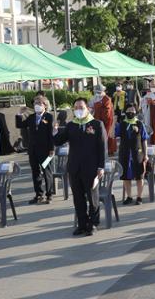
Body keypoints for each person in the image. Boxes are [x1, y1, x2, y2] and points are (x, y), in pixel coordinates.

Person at [53, 98, 107, 236]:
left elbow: (102, 147)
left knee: (92, 197)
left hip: (91, 167)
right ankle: (82, 224)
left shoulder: (96, 124)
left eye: (81, 107)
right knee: (78, 197)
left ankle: (93, 223)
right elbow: (58, 141)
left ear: (87, 108)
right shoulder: (71, 125)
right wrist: (55, 131)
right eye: (76, 107)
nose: (78, 109)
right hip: (74, 167)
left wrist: (101, 166)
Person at [16, 96, 55, 204]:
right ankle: (39, 194)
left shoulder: (49, 117)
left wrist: (52, 148)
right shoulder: (31, 117)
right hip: (33, 149)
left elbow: (51, 134)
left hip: (46, 149)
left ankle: (49, 194)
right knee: (35, 172)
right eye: (35, 104)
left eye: (39, 103)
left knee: (47, 171)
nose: (37, 105)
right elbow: (20, 125)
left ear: (45, 105)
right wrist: (20, 113)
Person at [118, 103, 149, 205]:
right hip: (125, 153)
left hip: (138, 153)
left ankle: (139, 197)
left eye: (133, 110)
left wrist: (146, 154)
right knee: (126, 176)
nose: (130, 112)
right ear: (125, 112)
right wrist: (113, 121)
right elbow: (113, 135)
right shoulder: (122, 124)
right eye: (128, 110)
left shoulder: (140, 124)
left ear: (136, 112)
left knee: (139, 176)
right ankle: (129, 196)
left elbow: (144, 140)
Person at [91, 84, 116, 155]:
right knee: (98, 135)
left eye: (99, 92)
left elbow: (107, 111)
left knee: (107, 135)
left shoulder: (107, 99)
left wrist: (97, 107)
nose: (97, 93)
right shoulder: (94, 98)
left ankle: (109, 150)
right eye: (96, 91)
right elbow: (90, 107)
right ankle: (99, 150)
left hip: (106, 121)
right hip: (97, 119)